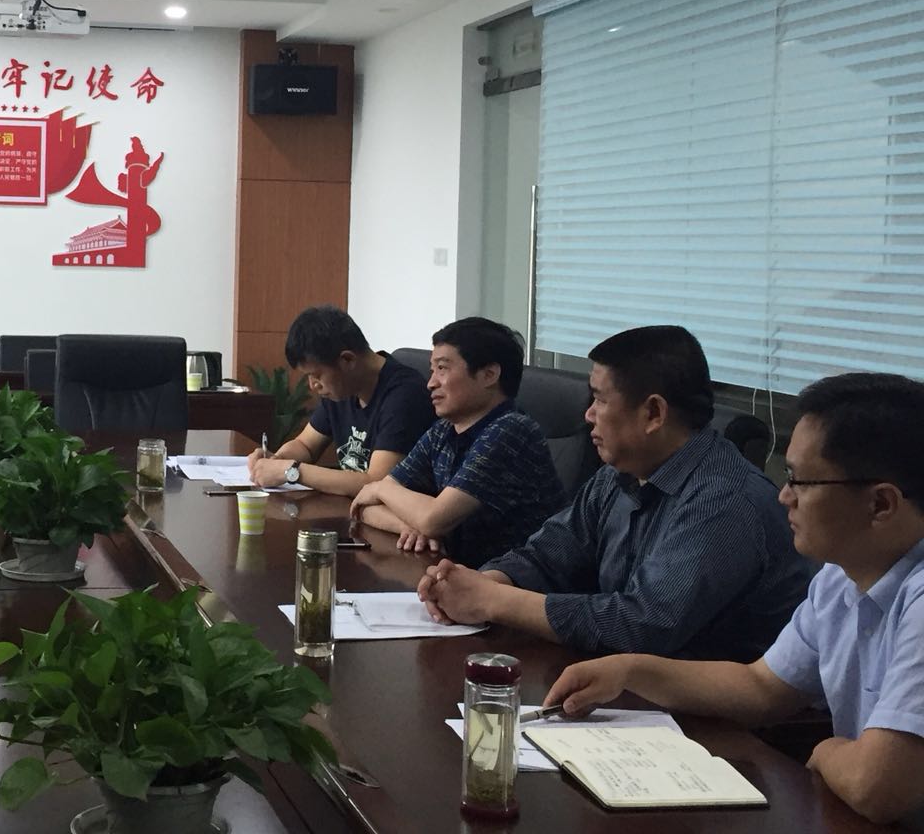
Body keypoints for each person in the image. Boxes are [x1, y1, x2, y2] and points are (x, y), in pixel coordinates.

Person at [543, 373, 924, 824]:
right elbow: (762, 687)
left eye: (800, 481)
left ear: (881, 504)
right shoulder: (840, 578)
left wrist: (827, 750)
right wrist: (629, 671)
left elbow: (875, 786)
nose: (783, 496)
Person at [417, 325, 809, 660]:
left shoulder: (725, 500)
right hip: (624, 687)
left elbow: (643, 625)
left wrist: (493, 601)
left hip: (709, 715)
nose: (588, 414)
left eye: (600, 400)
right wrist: (482, 583)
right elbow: (548, 555)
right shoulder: (619, 475)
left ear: (653, 413)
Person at [349, 318, 565, 563]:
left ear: (489, 375)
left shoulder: (511, 431)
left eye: (442, 368)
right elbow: (365, 508)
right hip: (459, 572)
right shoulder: (443, 430)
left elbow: (432, 518)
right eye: (432, 370)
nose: (431, 383)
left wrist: (379, 488)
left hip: (515, 579)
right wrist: (409, 526)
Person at [248, 305, 434, 496]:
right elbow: (305, 445)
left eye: (316, 375)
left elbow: (377, 483)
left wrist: (292, 471)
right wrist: (277, 460)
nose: (313, 385)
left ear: (347, 360)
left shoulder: (405, 395)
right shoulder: (343, 387)